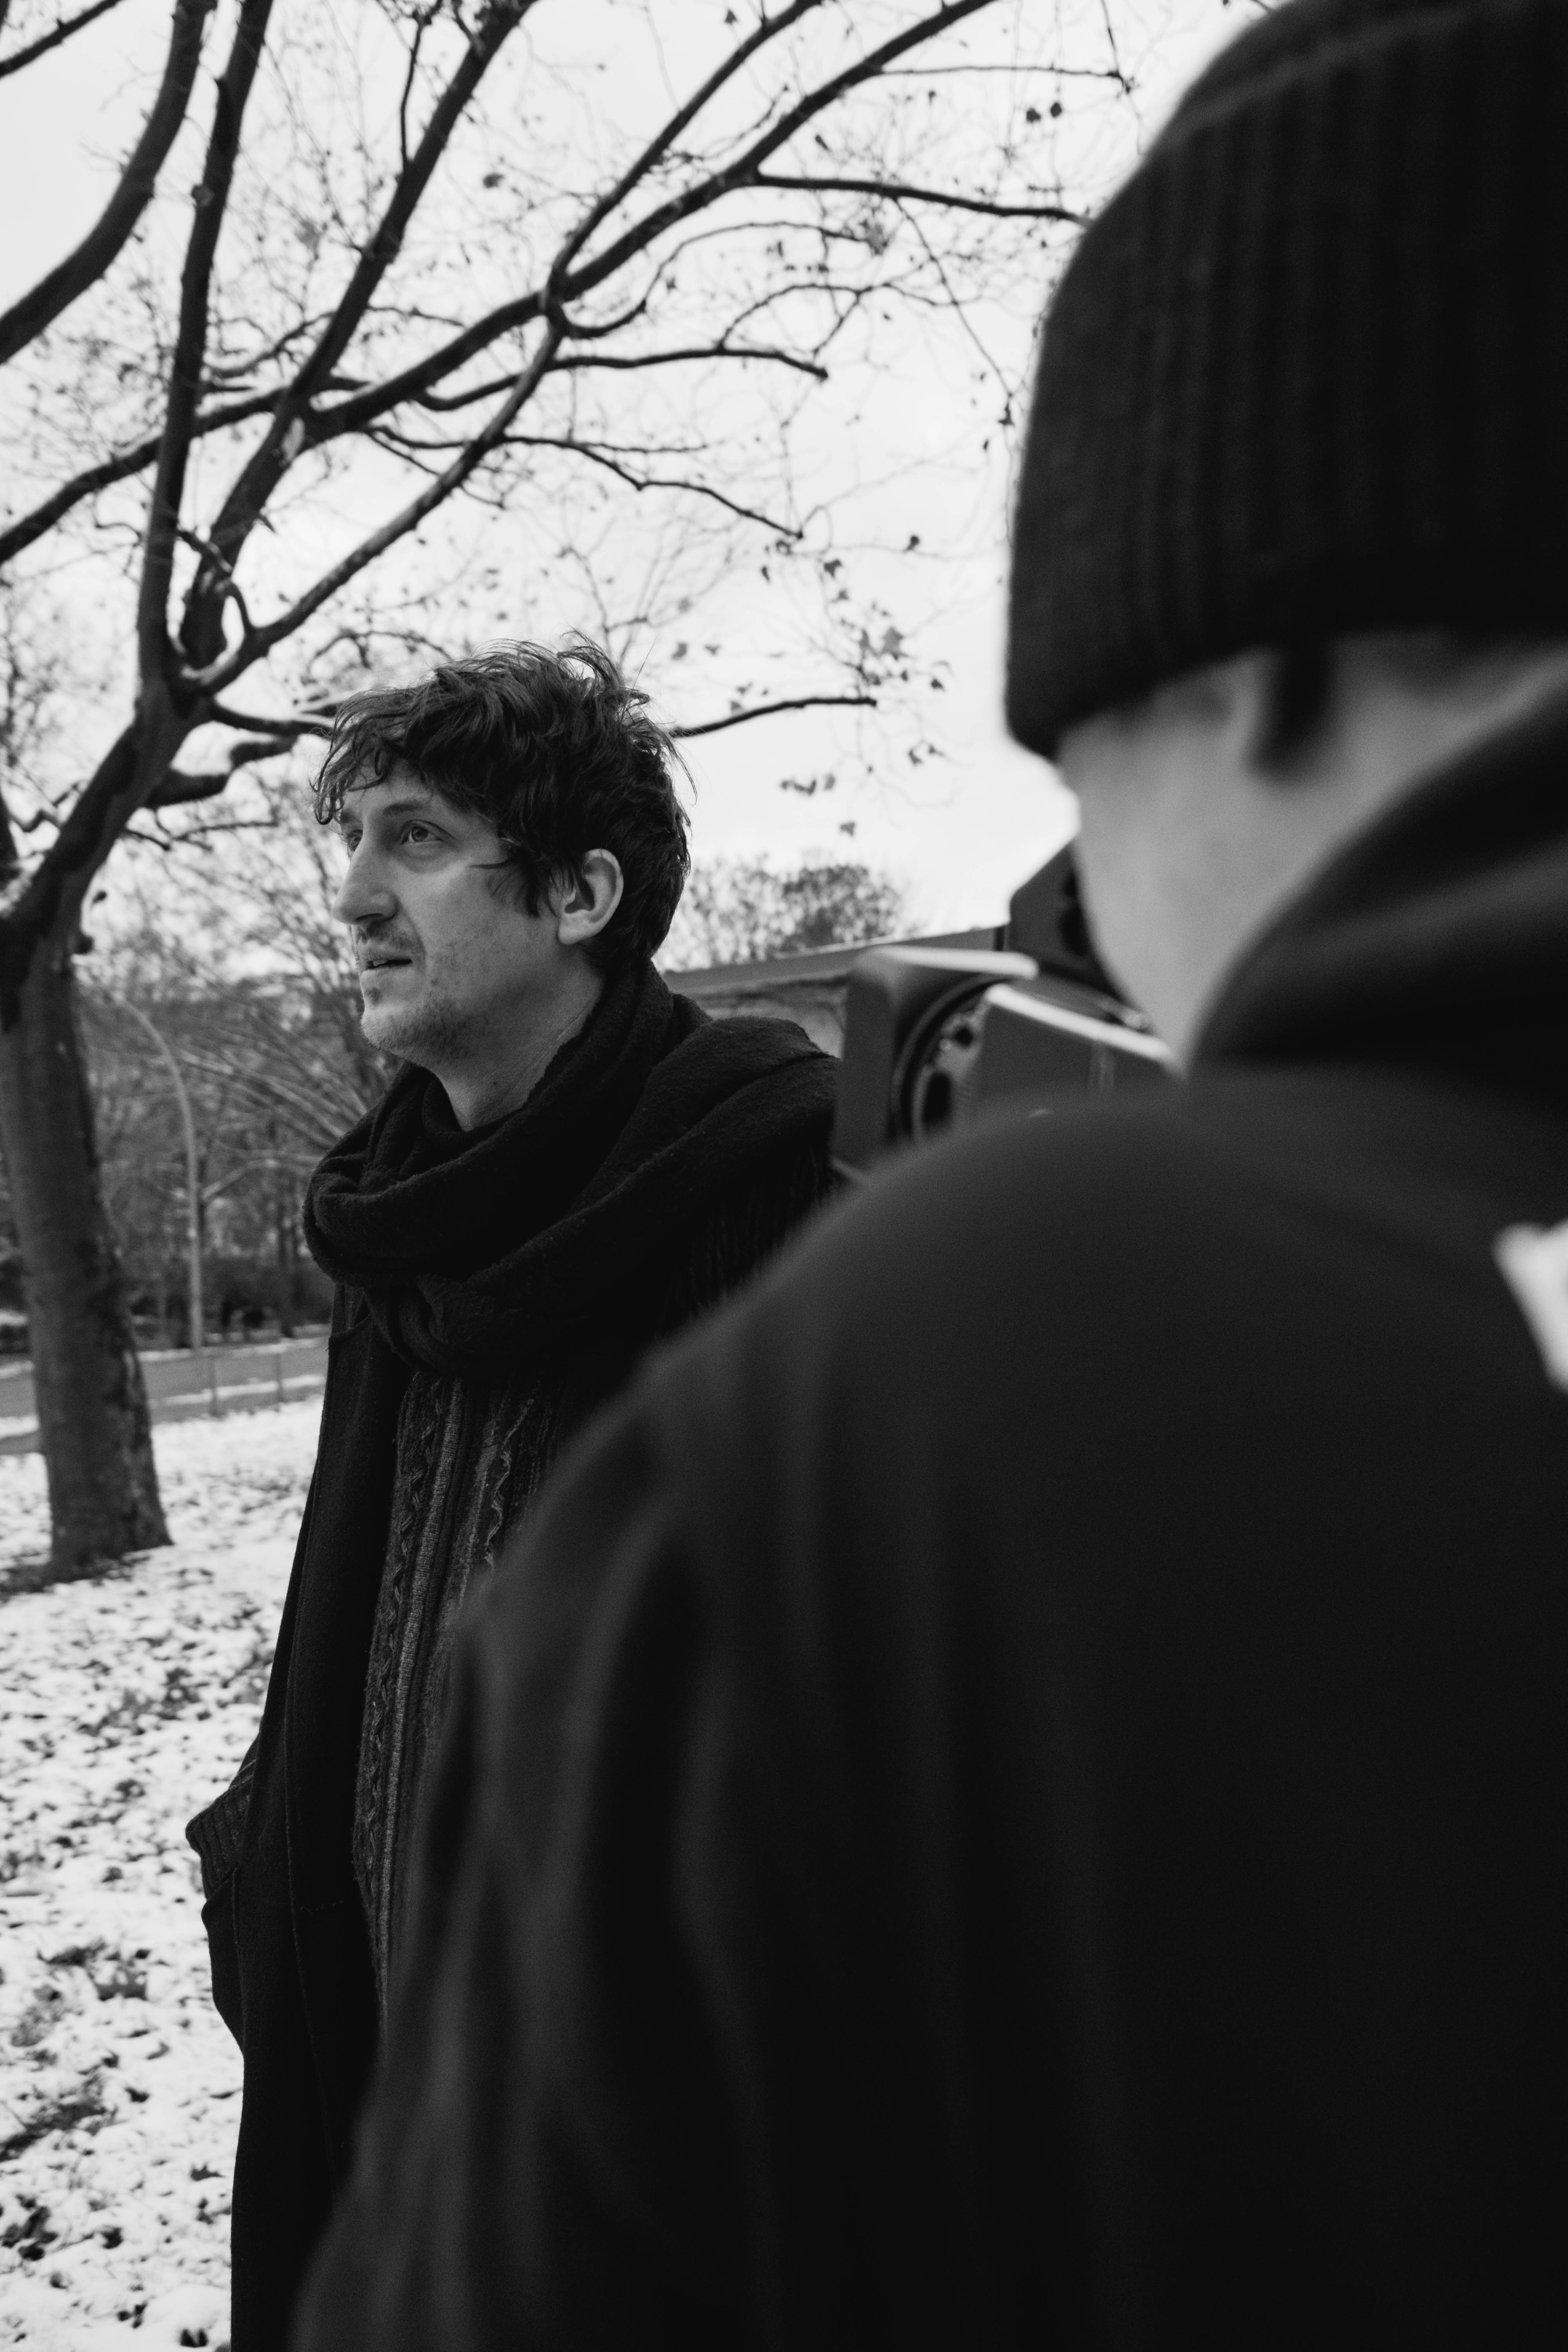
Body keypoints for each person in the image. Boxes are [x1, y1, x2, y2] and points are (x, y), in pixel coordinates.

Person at [296, 1, 1568, 2343]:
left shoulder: (914, 1343)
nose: (1078, 891)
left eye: (1078, 751)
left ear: (1244, 655)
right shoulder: (389, 1231)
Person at [185, 639, 840, 2351]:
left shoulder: (790, 1199)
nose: (352, 896)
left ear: (581, 893)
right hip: (377, 2104)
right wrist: (258, 1860)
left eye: (412, 839)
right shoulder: (396, 1230)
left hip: (664, 2180)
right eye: (350, 842)